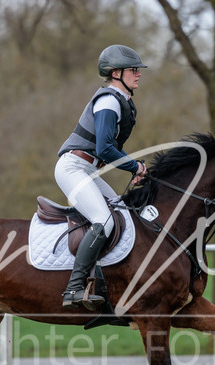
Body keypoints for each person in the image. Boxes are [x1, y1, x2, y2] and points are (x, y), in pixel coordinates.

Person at [55, 44, 149, 308]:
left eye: (138, 70)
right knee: (104, 221)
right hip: (73, 168)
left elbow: (111, 148)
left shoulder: (121, 101)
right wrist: (134, 167)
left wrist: (135, 166)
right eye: (133, 70)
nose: (139, 74)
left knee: (123, 213)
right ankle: (74, 288)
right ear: (116, 73)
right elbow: (104, 149)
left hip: (86, 169)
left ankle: (108, 280)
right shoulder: (108, 101)